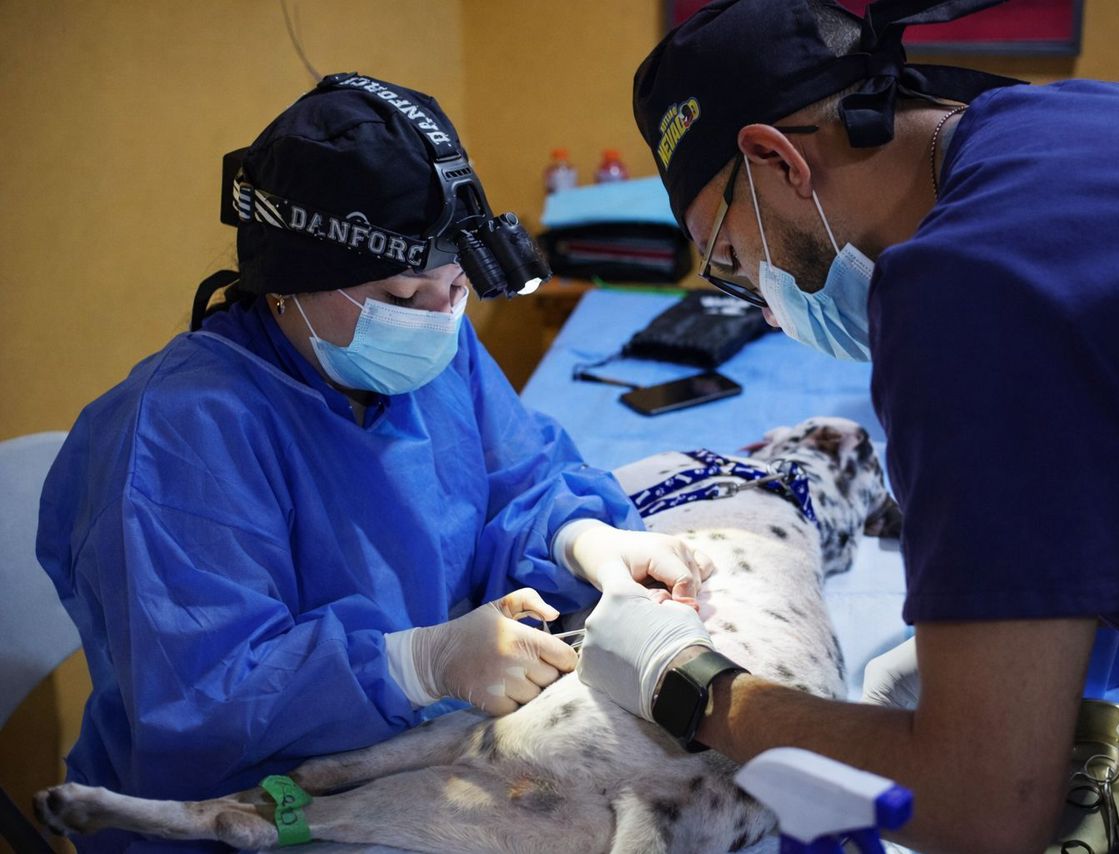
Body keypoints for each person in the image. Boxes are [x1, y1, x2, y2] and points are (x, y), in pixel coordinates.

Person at [575, 1, 1119, 851]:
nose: (760, 305)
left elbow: (985, 808)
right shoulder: (1057, 119)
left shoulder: (967, 294)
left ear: (777, 159)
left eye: (729, 259)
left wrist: (687, 682)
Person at [38, 72, 709, 852]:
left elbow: (518, 482)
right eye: (402, 295)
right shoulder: (177, 434)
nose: (437, 319)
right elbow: (203, 699)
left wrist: (583, 539)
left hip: (424, 763)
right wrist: (418, 664)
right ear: (288, 279)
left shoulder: (432, 352)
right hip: (238, 813)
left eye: (456, 287)